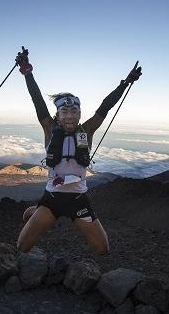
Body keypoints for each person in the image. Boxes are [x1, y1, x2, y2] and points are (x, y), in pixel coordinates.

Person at [15, 47, 142, 255]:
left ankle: (35, 212)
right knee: (22, 247)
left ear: (80, 114)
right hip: (52, 200)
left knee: (102, 249)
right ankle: (38, 211)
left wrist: (125, 83)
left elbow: (105, 107)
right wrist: (27, 71)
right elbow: (37, 99)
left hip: (78, 200)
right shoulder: (49, 128)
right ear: (57, 115)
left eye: (74, 111)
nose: (69, 116)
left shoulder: (88, 130)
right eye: (64, 111)